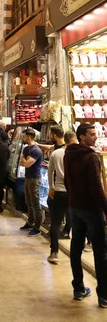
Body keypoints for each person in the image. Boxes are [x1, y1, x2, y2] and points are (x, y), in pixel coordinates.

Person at [64, 124, 107, 306]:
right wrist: (105, 209)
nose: (95, 137)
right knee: (101, 251)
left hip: (75, 207)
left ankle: (78, 288)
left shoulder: (69, 154)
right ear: (81, 136)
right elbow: (97, 187)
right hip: (91, 209)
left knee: (76, 247)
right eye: (91, 134)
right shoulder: (91, 157)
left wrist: (73, 197)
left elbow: (67, 180)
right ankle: (104, 295)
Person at [47, 130, 77, 265]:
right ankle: (78, 250)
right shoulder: (78, 154)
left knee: (55, 222)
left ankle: (54, 252)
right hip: (74, 192)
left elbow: (50, 171)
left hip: (59, 191)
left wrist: (51, 187)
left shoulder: (56, 153)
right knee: (77, 222)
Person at [19, 127, 43, 237]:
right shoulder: (26, 149)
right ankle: (30, 221)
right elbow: (21, 163)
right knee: (28, 201)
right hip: (27, 177)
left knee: (35, 203)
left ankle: (37, 226)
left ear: (29, 137)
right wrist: (24, 161)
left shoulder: (36, 150)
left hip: (34, 179)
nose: (22, 138)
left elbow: (27, 164)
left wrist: (24, 161)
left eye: (24, 136)